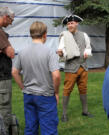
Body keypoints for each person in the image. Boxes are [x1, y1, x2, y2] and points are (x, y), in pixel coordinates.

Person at [12, 21, 61, 135]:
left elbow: (14, 72)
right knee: (49, 130)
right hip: (46, 96)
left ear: (31, 34)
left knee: (30, 127)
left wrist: (22, 87)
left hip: (28, 95)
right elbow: (56, 75)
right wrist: (56, 92)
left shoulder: (22, 52)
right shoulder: (49, 52)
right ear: (45, 34)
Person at [57, 15, 93, 122]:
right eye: (68, 24)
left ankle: (85, 110)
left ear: (77, 24)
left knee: (83, 88)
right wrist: (61, 54)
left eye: (72, 23)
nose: (70, 25)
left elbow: (88, 48)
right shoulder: (64, 36)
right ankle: (64, 114)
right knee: (67, 89)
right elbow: (62, 50)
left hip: (83, 66)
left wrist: (87, 53)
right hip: (71, 68)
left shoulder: (84, 35)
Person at [0, 7, 15, 135]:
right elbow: (11, 53)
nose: (11, 23)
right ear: (5, 17)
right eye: (11, 20)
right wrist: (9, 47)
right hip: (2, 76)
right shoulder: (0, 33)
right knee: (4, 108)